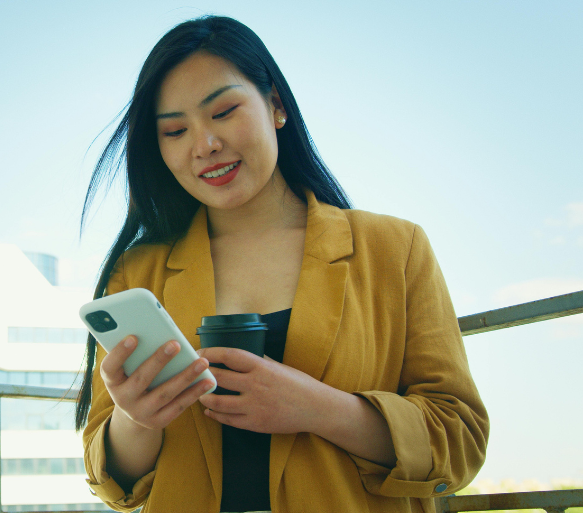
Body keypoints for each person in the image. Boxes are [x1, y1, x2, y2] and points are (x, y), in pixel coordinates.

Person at [74, 15, 489, 513]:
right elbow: (112, 481)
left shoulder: (394, 249)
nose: (204, 145)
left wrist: (320, 408)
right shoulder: (137, 274)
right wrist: (137, 419)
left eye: (224, 111)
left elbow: (459, 442)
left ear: (276, 106)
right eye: (175, 130)